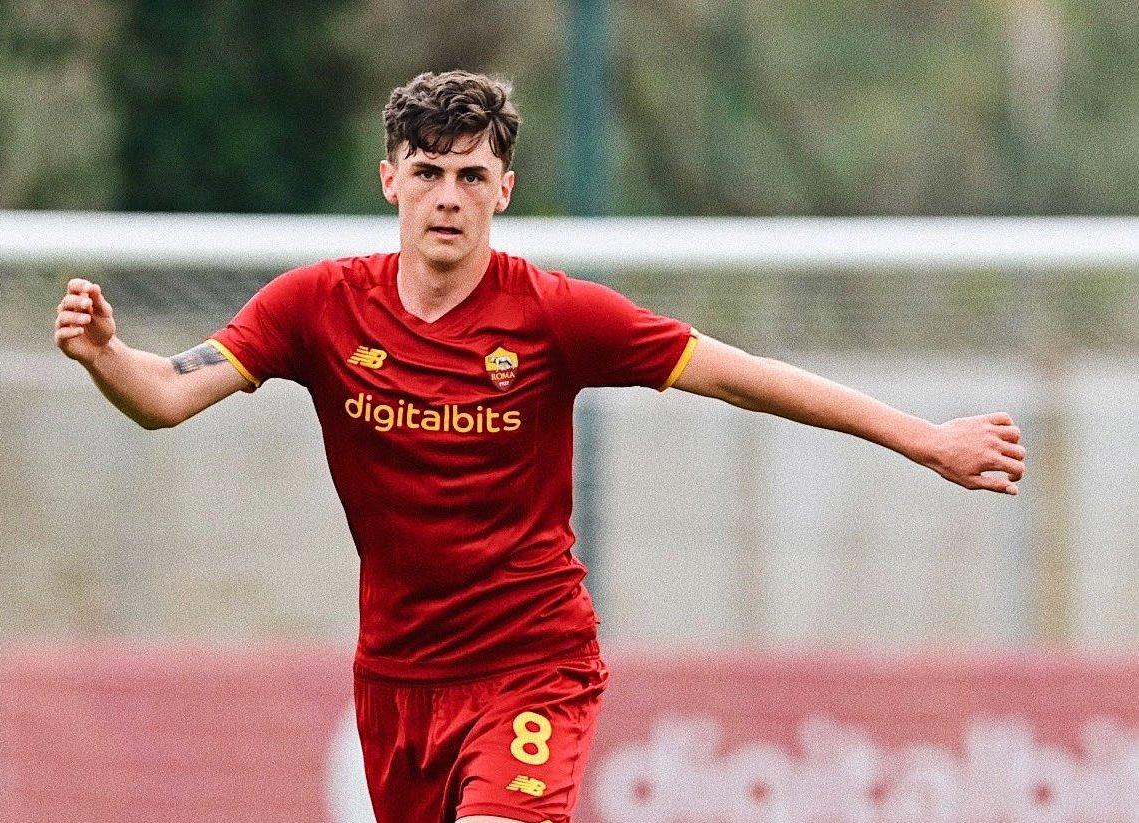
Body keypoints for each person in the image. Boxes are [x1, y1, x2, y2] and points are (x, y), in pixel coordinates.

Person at [53, 70, 1026, 823]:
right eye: (427, 172)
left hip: (533, 662)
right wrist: (105, 355)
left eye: (470, 176)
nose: (447, 197)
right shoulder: (316, 306)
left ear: (504, 190)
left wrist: (923, 438)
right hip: (397, 679)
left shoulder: (554, 315)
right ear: (390, 179)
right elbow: (165, 396)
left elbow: (739, 374)